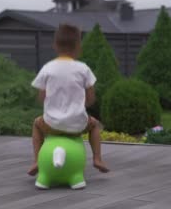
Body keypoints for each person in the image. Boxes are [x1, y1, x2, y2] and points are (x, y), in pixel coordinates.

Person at [27, 23, 109, 176]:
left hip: (51, 123)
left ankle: (37, 161)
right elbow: (91, 98)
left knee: (36, 125)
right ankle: (97, 159)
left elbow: (41, 97)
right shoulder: (83, 69)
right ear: (79, 46)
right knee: (96, 125)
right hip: (78, 124)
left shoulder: (48, 68)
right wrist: (79, 105)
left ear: (55, 46)